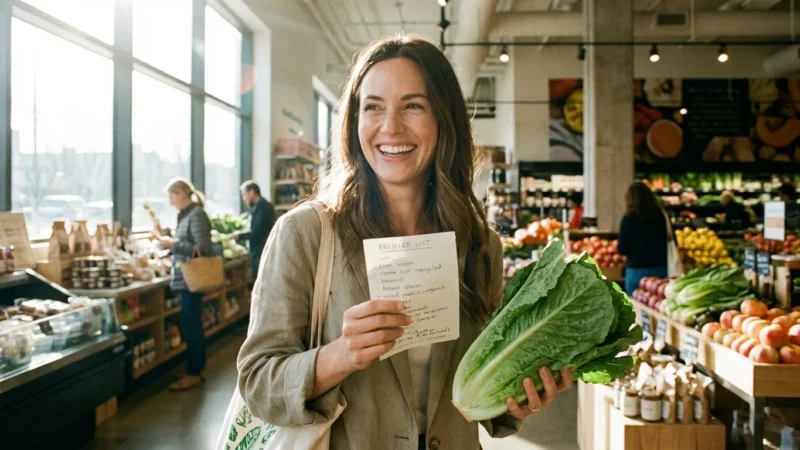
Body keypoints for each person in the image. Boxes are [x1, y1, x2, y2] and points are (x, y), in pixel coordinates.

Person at [237, 35, 572, 450]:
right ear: (354, 121)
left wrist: (515, 401)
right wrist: (342, 355)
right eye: (373, 106)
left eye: (413, 106)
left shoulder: (479, 244)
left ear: (443, 120)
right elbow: (257, 382)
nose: (390, 127)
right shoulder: (306, 233)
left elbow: (482, 393)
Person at [158, 177, 212, 391]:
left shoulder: (196, 215)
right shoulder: (187, 215)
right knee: (190, 323)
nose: (171, 202)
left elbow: (203, 248)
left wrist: (173, 244)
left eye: (172, 197)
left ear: (182, 193)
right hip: (185, 279)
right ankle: (195, 369)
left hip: (192, 279)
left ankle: (194, 373)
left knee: (191, 325)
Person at [618, 182, 668, 295]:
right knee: (655, 305)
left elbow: (622, 248)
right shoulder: (660, 217)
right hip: (659, 270)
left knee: (635, 308)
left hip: (636, 270)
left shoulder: (628, 219)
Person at [233, 181, 275, 279]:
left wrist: (240, 235)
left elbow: (257, 231)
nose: (244, 198)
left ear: (252, 192)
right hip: (261, 250)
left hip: (261, 250)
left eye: (244, 194)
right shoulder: (261, 206)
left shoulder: (262, 207)